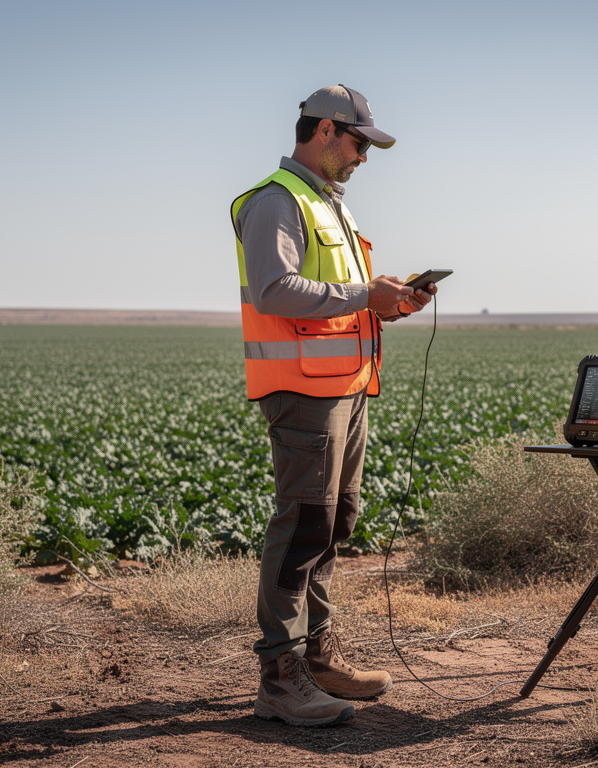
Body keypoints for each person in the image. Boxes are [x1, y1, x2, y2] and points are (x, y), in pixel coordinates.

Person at [230, 84, 436, 727]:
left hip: (344, 390)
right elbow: (275, 291)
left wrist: (389, 303)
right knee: (300, 530)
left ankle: (316, 660)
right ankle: (280, 678)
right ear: (324, 130)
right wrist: (361, 294)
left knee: (333, 525)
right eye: (357, 144)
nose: (363, 158)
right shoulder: (276, 201)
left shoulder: (328, 205)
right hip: (304, 395)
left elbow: (340, 303)